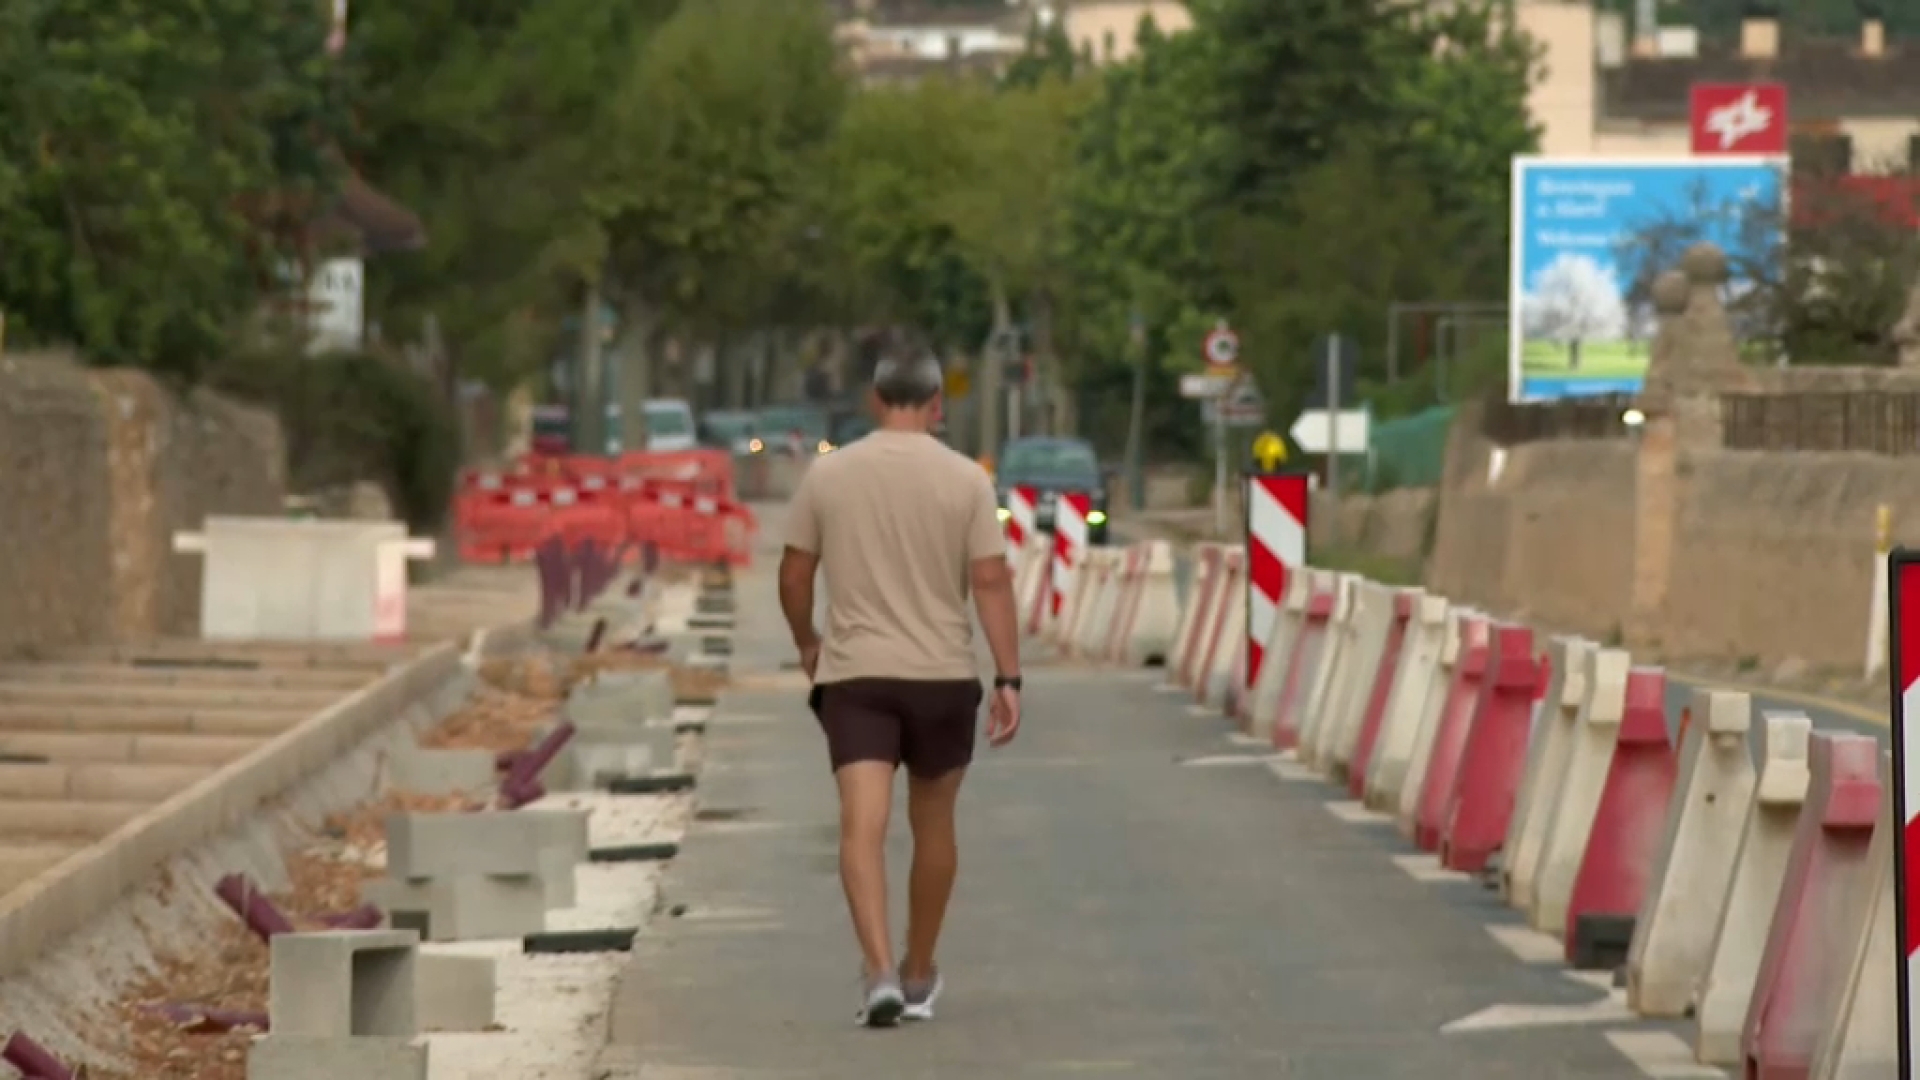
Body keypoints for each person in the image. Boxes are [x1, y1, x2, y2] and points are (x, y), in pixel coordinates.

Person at [777, 337, 1023, 1028]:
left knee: (863, 823)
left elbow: (795, 574)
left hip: (857, 677)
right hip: (943, 676)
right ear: (938, 405)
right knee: (934, 824)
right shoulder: (968, 480)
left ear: (874, 400)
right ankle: (920, 973)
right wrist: (1008, 676)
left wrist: (806, 640)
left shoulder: (830, 476)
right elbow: (989, 580)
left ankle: (879, 969)